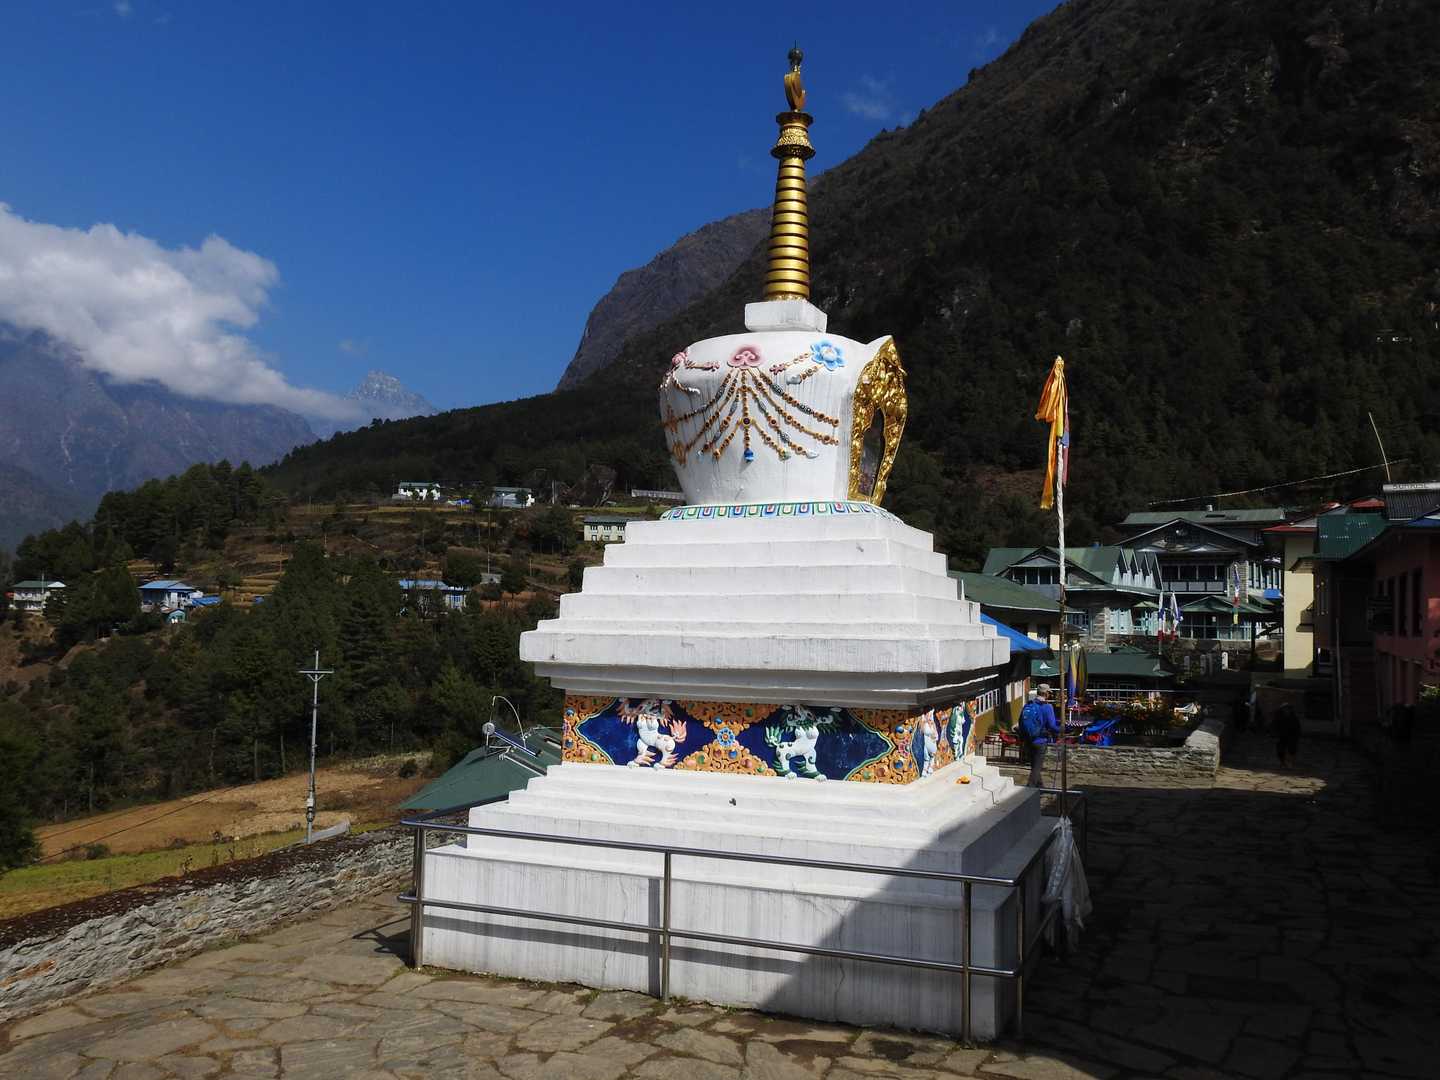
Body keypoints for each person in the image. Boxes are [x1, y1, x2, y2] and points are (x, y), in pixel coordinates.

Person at [1019, 686, 1061, 788]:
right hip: (1040, 740)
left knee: (1034, 765)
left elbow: (1020, 722)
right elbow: (1052, 726)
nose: (1050, 695)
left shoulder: (1028, 705)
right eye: (1049, 693)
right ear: (1046, 693)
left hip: (1028, 740)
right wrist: (1063, 729)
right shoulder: (1047, 707)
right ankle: (1030, 788)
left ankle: (1040, 786)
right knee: (1036, 768)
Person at [1274, 701, 1301, 768]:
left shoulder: (1294, 717)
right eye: (1284, 709)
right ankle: (1282, 762)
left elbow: (1297, 727)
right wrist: (1275, 734)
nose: (1286, 710)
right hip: (1281, 736)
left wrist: (1296, 736)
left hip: (1291, 736)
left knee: (1292, 749)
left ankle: (1290, 762)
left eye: (1287, 709)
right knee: (1280, 750)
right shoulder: (1279, 717)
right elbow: (1275, 726)